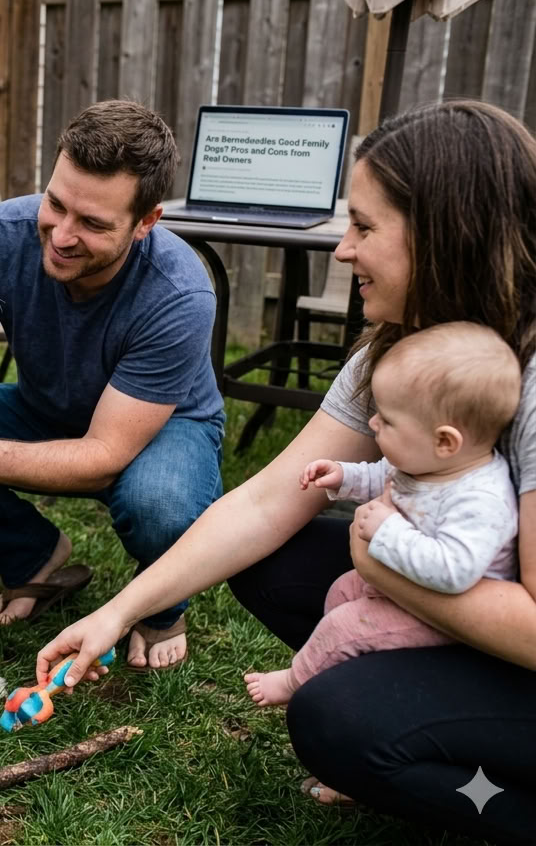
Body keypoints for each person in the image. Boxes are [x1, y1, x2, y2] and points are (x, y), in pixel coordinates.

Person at [36, 99, 536, 842]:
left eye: (365, 227)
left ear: (445, 236)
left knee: (337, 722)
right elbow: (268, 500)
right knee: (273, 557)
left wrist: (379, 561)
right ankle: (425, 708)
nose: (342, 250)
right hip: (458, 597)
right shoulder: (398, 354)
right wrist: (116, 614)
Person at [0, 99, 225, 672]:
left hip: (161, 429)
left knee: (159, 503)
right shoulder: (0, 234)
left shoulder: (179, 294)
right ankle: (34, 558)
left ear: (146, 222)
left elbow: (105, 456)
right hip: (43, 406)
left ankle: (160, 608)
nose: (61, 234)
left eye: (94, 224)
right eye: (56, 203)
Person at [245, 322, 521, 707]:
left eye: (387, 420)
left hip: (440, 616)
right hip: (402, 583)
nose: (373, 423)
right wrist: (344, 476)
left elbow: (456, 569)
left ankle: (297, 680)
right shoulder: (429, 466)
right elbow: (384, 477)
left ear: (444, 440)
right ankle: (346, 675)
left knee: (346, 625)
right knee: (342, 590)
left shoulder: (481, 500)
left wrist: (387, 530)